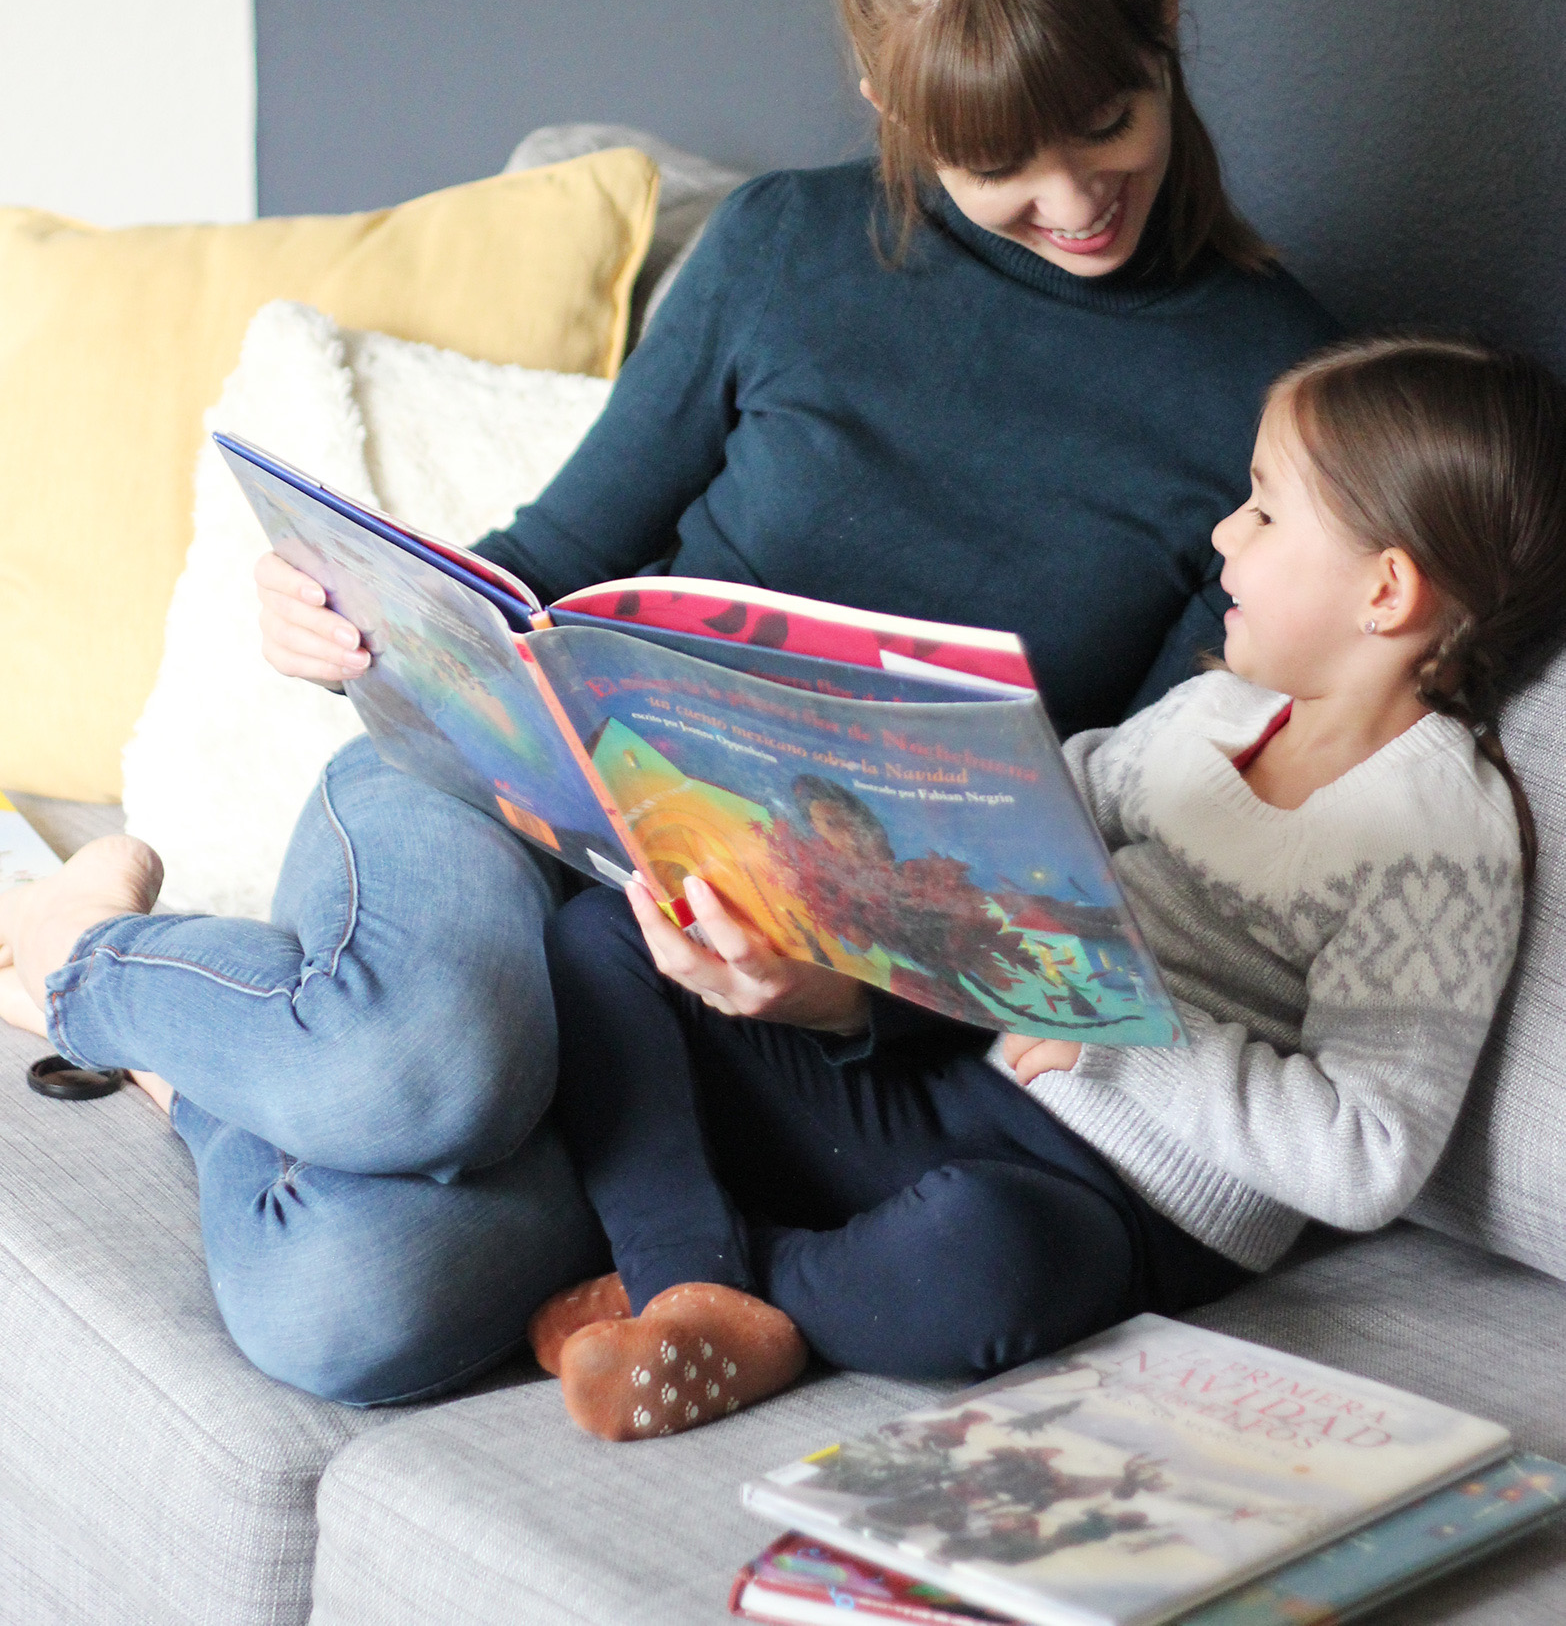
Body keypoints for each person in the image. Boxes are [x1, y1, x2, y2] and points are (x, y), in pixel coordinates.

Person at [0, 0, 1336, 1404]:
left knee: (357, 1302)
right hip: (498, 824)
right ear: (886, 100)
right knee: (425, 1055)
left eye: (1109, 121)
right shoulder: (781, 251)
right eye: (1001, 165)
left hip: (712, 991)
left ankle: (201, 1087)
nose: (1073, 196)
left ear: (1161, 4)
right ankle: (79, 950)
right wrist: (355, 613)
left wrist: (843, 992)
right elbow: (543, 562)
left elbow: (1129, 820)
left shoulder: (1277, 395)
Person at [532, 336, 1566, 1440]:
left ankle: (738, 1290)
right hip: (951, 1091)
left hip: (1116, 1209)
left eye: (1263, 512)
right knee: (605, 934)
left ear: (1387, 588)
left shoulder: (1437, 840)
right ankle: (680, 1281)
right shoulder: (1214, 713)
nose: (1225, 531)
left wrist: (1116, 1039)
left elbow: (1365, 1157)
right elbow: (1041, 823)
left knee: (979, 1253)